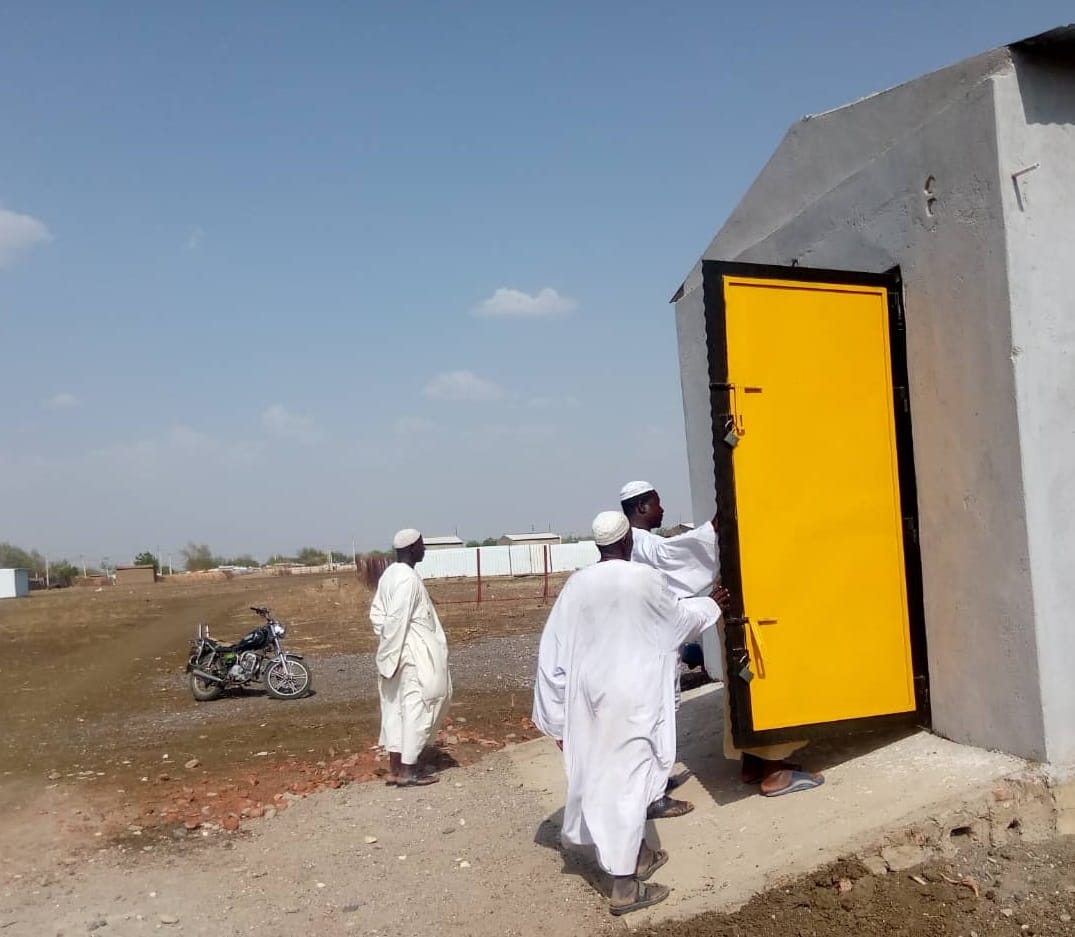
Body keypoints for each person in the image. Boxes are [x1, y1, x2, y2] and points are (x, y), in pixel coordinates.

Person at [533, 511, 721, 915]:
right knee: (629, 783)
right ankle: (624, 887)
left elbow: (552, 654)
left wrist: (556, 719)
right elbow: (675, 624)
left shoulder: (576, 585)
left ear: (599, 545)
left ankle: (639, 856)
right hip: (632, 700)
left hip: (589, 702)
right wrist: (709, 605)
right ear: (627, 543)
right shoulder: (644, 579)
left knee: (607, 776)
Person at [620, 481, 823, 798]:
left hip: (663, 640)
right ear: (642, 506)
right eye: (658, 503)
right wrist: (720, 516)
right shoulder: (642, 543)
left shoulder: (635, 544)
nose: (663, 509)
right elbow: (679, 552)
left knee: (730, 689)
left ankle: (750, 761)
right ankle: (774, 769)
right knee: (763, 682)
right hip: (658, 644)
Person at [369, 528, 452, 787]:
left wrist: (387, 653)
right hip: (411, 655)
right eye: (422, 545)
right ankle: (408, 770)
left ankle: (397, 767)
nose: (425, 550)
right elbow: (395, 621)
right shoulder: (406, 579)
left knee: (396, 710)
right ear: (413, 548)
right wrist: (390, 658)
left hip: (397, 652)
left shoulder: (390, 575)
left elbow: (378, 616)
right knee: (421, 705)